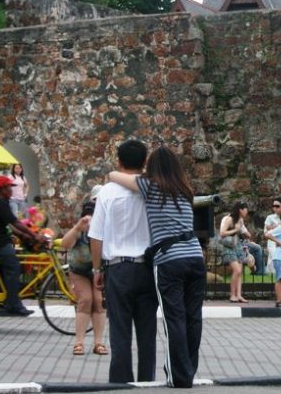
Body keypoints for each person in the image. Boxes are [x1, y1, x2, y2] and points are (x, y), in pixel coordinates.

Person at [109, 145, 206, 389]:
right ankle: (188, 371)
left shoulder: (150, 187)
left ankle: (178, 375)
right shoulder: (185, 190)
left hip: (169, 259)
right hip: (195, 256)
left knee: (174, 318)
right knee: (193, 318)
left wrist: (136, 174)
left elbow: (114, 176)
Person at [89, 140, 158, 384]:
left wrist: (97, 269)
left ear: (118, 162)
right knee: (147, 332)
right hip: (149, 268)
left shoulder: (107, 192)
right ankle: (147, 380)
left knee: (120, 331)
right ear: (144, 162)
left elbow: (96, 235)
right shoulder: (153, 189)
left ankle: (120, 382)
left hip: (118, 268)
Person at [0, 175, 43, 315]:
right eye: (9, 188)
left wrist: (23, 235)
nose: (11, 191)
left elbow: (9, 225)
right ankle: (13, 303)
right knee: (13, 266)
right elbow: (15, 222)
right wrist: (34, 235)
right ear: (2, 189)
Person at [61, 187, 107, 357]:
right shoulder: (80, 229)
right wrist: (77, 228)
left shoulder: (104, 227)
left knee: (99, 301)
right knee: (86, 299)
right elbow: (64, 245)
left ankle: (99, 343)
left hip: (99, 271)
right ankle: (78, 343)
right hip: (79, 271)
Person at [218, 201, 249, 303]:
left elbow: (244, 231)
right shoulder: (229, 219)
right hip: (228, 247)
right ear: (240, 210)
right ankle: (232, 295)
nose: (247, 211)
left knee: (240, 272)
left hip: (237, 246)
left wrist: (245, 233)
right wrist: (235, 230)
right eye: (245, 209)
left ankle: (239, 295)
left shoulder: (240, 220)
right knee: (237, 270)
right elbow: (222, 233)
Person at [264, 198, 281, 273]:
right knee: (274, 256)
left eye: (277, 206)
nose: (275, 208)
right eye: (274, 206)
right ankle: (276, 272)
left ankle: (270, 272)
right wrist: (276, 227)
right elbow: (266, 230)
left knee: (272, 259)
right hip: (272, 241)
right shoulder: (270, 217)